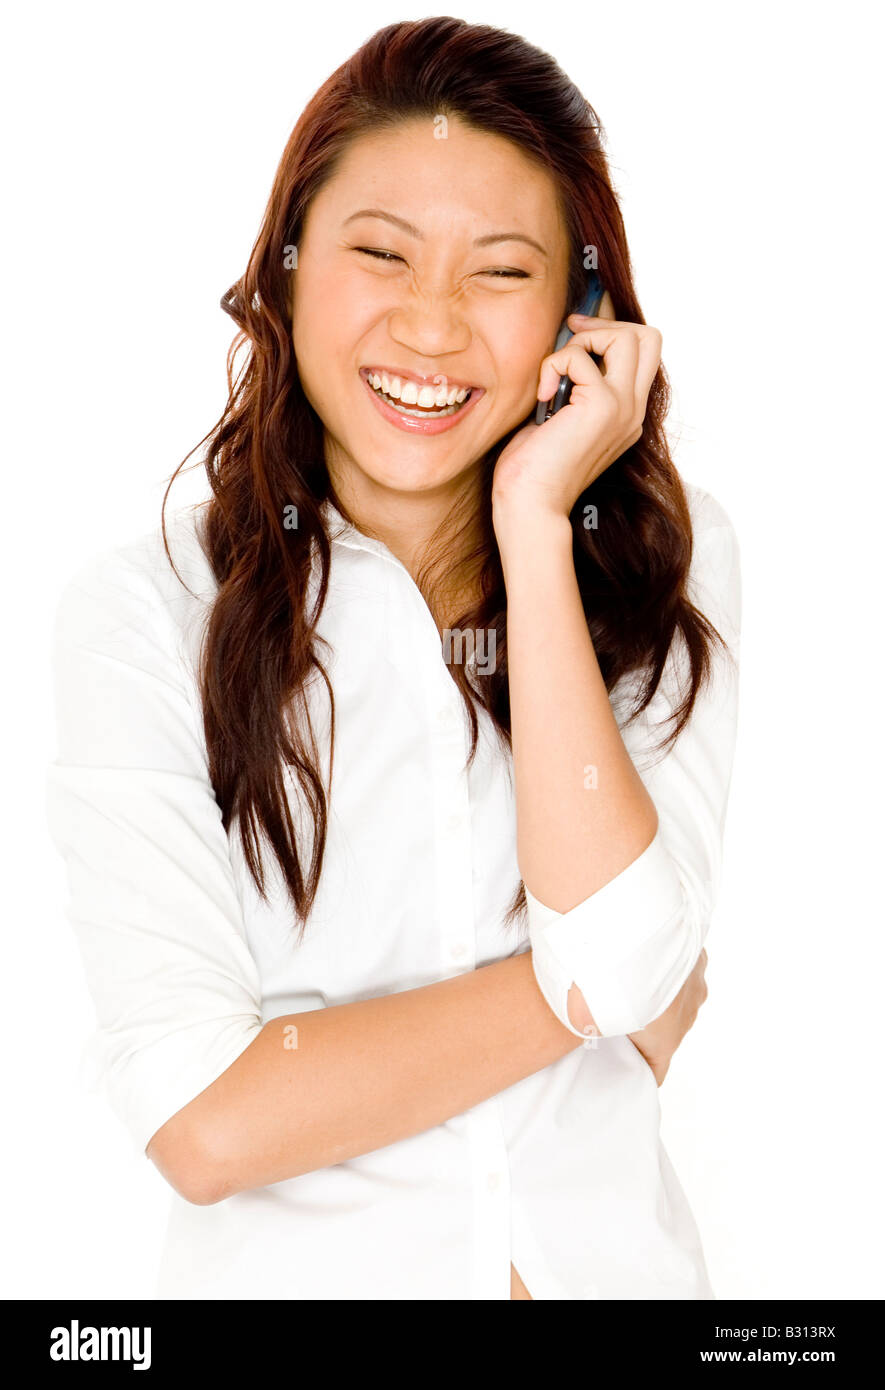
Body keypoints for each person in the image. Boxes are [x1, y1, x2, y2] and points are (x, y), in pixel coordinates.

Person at [47, 16, 741, 1300]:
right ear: (289, 269)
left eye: (499, 272)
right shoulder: (146, 613)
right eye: (380, 253)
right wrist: (584, 998)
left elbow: (636, 973)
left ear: (579, 314)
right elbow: (205, 1124)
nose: (429, 328)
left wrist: (538, 527)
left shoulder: (655, 569)